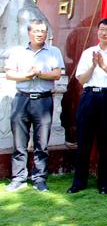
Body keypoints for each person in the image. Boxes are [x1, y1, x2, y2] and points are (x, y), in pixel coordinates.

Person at [67, 18, 107, 195]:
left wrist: (103, 66)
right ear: (97, 31)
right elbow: (82, 79)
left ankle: (104, 183)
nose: (104, 33)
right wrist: (93, 66)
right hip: (89, 97)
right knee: (83, 141)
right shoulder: (88, 53)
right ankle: (79, 182)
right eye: (101, 29)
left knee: (105, 143)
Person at [4, 19, 64, 192]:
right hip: (21, 99)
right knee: (19, 141)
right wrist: (28, 75)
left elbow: (56, 74)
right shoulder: (18, 52)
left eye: (43, 31)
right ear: (29, 32)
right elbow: (10, 74)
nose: (40, 34)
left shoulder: (53, 52)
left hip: (43, 100)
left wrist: (40, 73)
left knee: (41, 142)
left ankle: (39, 178)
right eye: (36, 31)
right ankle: (19, 178)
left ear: (47, 34)